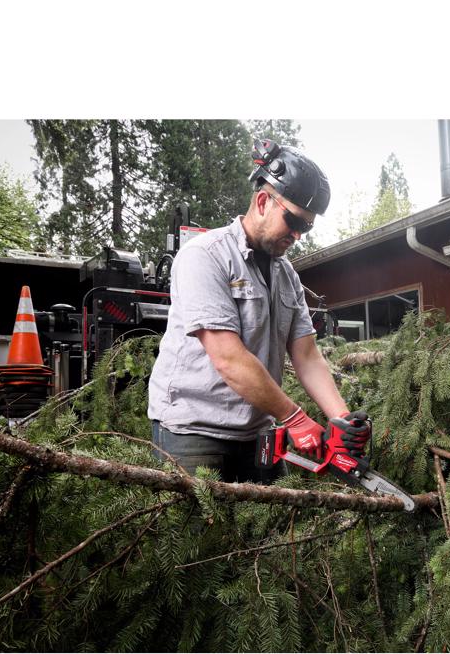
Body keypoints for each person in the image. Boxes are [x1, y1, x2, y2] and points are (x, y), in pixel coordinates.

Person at [148, 138, 369, 480]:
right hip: (193, 431)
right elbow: (228, 357)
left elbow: (307, 356)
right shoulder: (205, 256)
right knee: (197, 516)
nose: (298, 235)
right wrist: (295, 418)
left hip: (257, 431)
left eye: (307, 227)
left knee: (272, 516)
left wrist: (342, 421)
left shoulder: (287, 276)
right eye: (293, 221)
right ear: (264, 201)